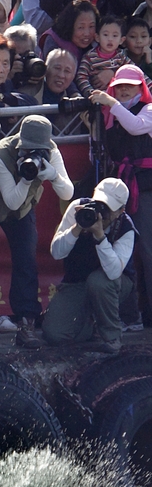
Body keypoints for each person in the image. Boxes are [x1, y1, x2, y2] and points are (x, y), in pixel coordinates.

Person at [0, 115, 72, 349]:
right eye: (26, 151)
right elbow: (11, 200)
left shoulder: (53, 152)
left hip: (21, 210)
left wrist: (52, 175)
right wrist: (28, 179)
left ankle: (26, 325)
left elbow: (67, 193)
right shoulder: (1, 153)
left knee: (26, 262)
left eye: (38, 152)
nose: (31, 156)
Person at [43, 177, 136, 353]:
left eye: (108, 209)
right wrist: (76, 228)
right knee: (54, 334)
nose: (101, 213)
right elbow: (57, 252)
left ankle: (112, 337)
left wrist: (100, 237)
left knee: (99, 281)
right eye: (99, 204)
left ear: (121, 211)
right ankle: (88, 324)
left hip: (114, 284)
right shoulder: (78, 209)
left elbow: (114, 272)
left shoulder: (125, 228)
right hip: (77, 282)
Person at [91, 65, 152, 321]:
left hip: (146, 186)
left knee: (148, 250)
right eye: (120, 86)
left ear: (142, 88)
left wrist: (112, 104)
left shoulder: (148, 109)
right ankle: (134, 313)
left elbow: (137, 127)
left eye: (131, 85)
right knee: (128, 250)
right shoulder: (111, 115)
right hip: (123, 189)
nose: (125, 90)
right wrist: (109, 110)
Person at [77, 14, 129, 96]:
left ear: (121, 40)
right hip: (99, 99)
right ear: (97, 37)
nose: (110, 39)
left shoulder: (121, 56)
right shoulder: (89, 57)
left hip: (120, 99)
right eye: (105, 35)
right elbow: (81, 77)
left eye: (115, 36)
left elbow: (135, 72)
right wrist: (91, 94)